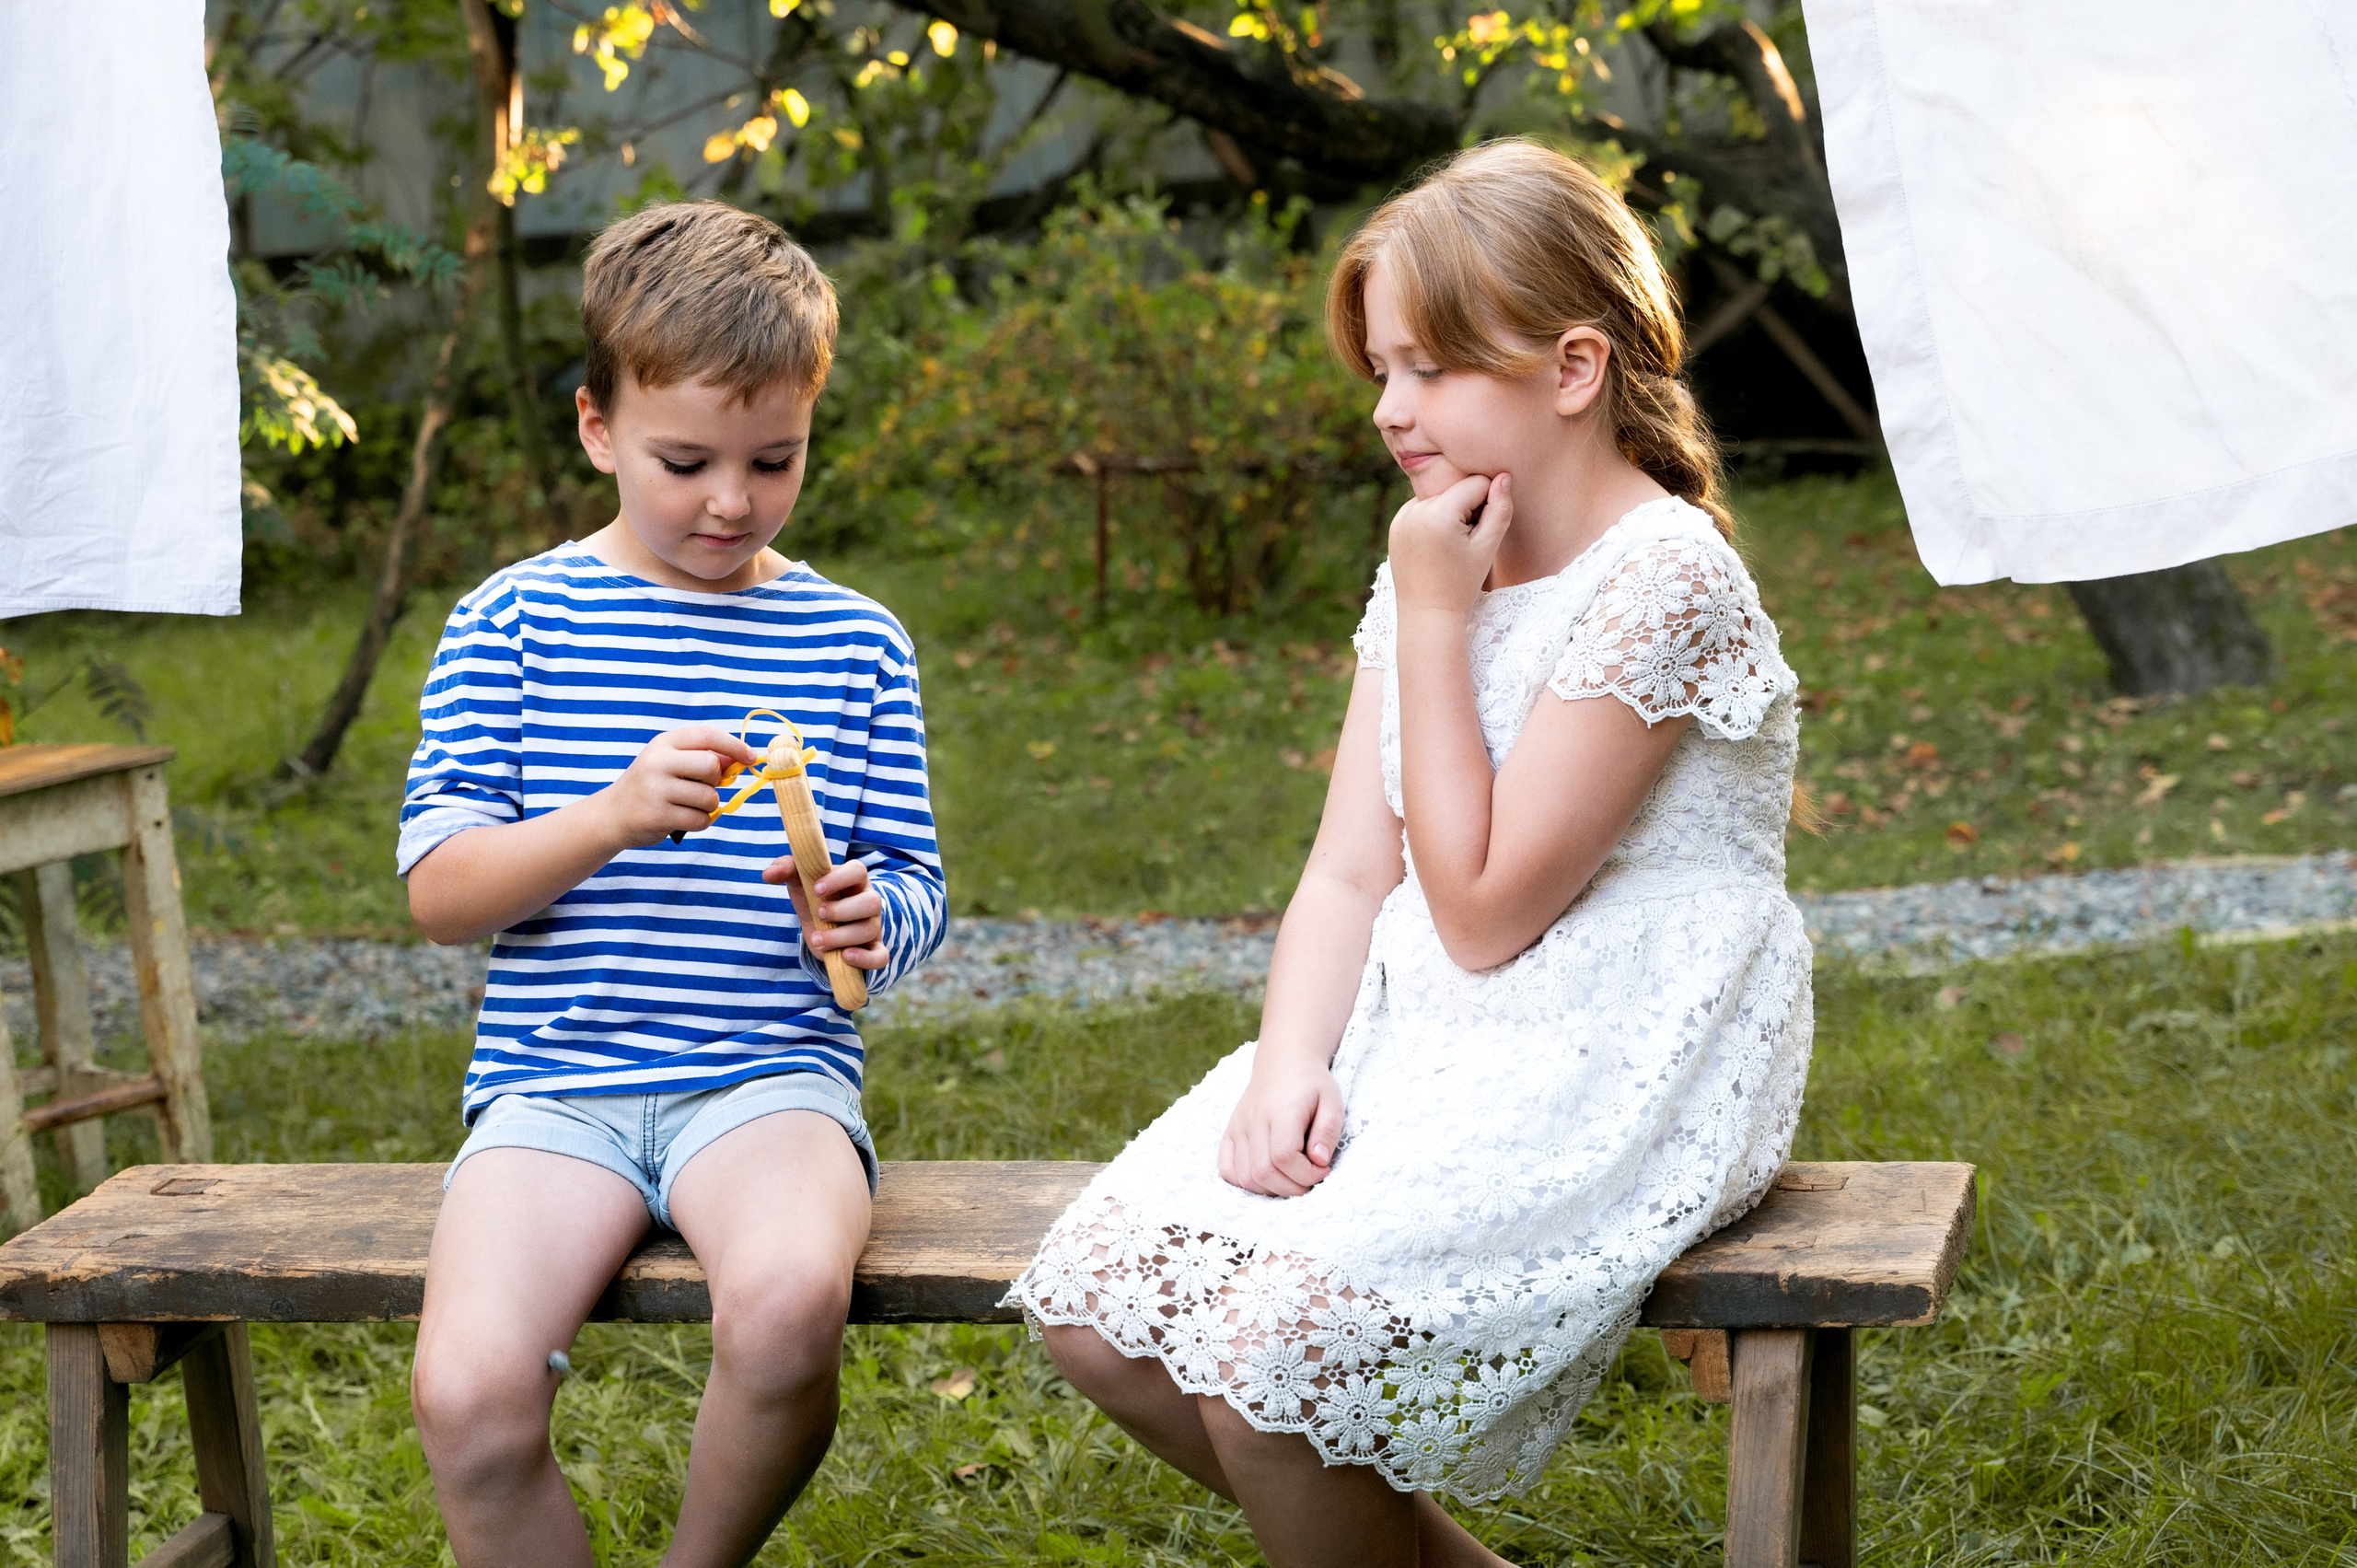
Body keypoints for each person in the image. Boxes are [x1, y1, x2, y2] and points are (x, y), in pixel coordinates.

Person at [1009, 139, 1814, 1567]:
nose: (1390, 409)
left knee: (1269, 1376)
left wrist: (1438, 619)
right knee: (1098, 1317)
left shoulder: (1665, 576)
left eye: (1429, 369)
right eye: (1379, 370)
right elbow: (1344, 875)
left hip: (1620, 1051)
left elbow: (1488, 906)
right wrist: (1285, 1063)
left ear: (1573, 369)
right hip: (1429, 1035)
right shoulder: (1434, 554)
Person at [399, 201, 945, 1568]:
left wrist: (877, 918)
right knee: (466, 1395)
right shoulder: (510, 623)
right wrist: (607, 819)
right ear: (597, 426)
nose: (730, 500)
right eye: (686, 459)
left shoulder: (855, 641)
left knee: (786, 1300)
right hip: (553, 1087)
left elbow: (919, 882)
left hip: (767, 1075)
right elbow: (442, 894)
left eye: (776, 460)